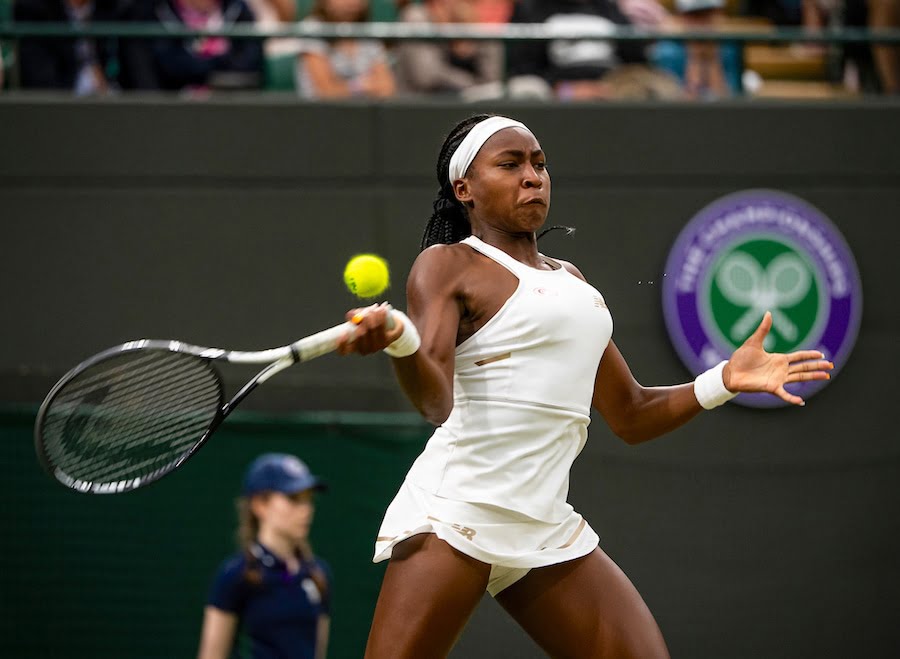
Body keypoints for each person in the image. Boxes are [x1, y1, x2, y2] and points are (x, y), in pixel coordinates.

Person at [336, 114, 835, 658]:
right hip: (457, 514)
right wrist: (402, 343)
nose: (533, 177)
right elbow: (435, 401)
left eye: (540, 164)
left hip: (546, 525)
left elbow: (633, 413)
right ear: (465, 190)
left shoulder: (571, 281)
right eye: (510, 165)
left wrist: (724, 380)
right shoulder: (447, 265)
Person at [197, 453, 331, 659]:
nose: (306, 509)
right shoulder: (235, 575)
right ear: (260, 504)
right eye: (293, 498)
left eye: (309, 499)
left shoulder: (318, 574)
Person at [14, 0, 158, 92]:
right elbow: (42, 87)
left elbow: (141, 74)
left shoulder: (121, 7)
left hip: (115, 110)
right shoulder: (33, 8)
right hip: (62, 114)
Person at [394, 0, 504, 99]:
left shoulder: (470, 15)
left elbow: (492, 82)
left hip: (463, 105)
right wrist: (473, 86)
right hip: (416, 104)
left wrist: (471, 40)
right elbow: (427, 77)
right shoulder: (416, 17)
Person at [150, 0, 264, 92]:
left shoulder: (238, 8)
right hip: (173, 104)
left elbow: (249, 60)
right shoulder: (159, 9)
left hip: (230, 101)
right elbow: (167, 63)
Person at [294, 0, 396, 99]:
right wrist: (361, 86)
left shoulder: (368, 31)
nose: (352, 2)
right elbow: (325, 92)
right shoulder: (312, 28)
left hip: (365, 112)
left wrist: (347, 89)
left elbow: (387, 89)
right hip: (319, 113)